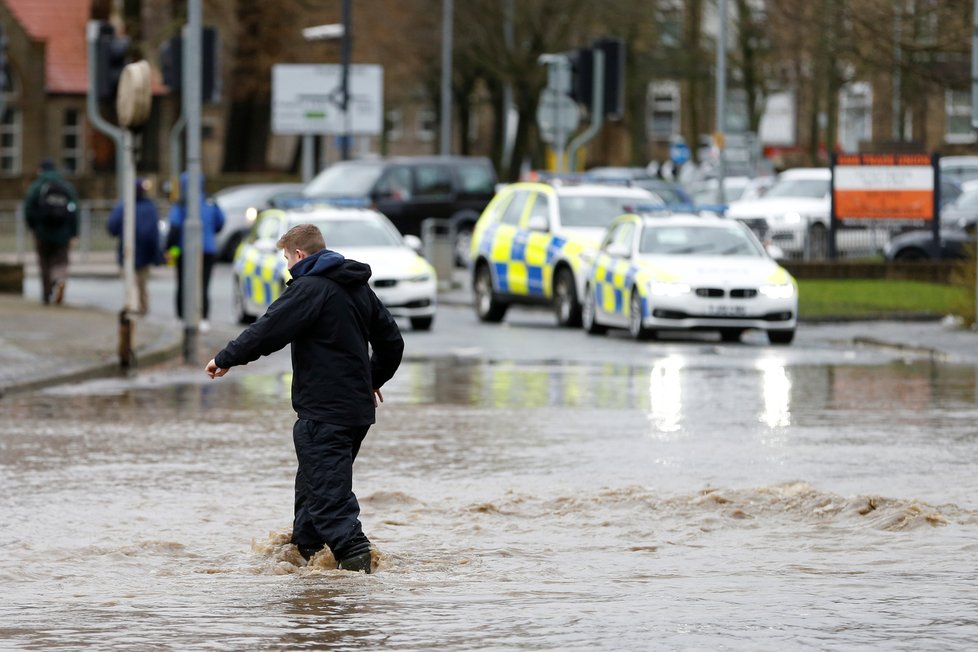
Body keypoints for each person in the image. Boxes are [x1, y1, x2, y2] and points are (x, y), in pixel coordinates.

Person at [204, 224, 404, 573]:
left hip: (325, 414)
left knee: (330, 503)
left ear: (298, 255)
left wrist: (225, 358)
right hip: (354, 413)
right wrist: (370, 381)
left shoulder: (312, 288)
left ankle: (358, 587)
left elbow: (269, 329)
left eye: (286, 259)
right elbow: (392, 342)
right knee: (312, 498)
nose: (287, 266)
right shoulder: (356, 287)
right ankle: (308, 571)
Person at [166, 172, 225, 330]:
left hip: (184, 250)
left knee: (182, 284)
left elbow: (174, 226)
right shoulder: (210, 201)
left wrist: (168, 248)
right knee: (204, 285)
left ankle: (180, 317)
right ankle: (204, 318)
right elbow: (220, 222)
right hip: (208, 249)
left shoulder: (181, 204)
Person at [24, 159, 80, 305]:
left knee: (44, 262)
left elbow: (28, 209)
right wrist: (74, 233)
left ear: (40, 170)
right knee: (61, 259)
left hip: (42, 231)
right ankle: (60, 279)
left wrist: (33, 227)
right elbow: (75, 211)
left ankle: (46, 293)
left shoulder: (37, 187)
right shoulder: (67, 187)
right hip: (63, 231)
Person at [107, 178, 164, 315]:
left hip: (128, 251)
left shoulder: (124, 206)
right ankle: (143, 308)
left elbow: (112, 227)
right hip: (146, 253)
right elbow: (155, 234)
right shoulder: (150, 207)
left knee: (131, 283)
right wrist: (157, 254)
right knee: (143, 284)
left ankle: (133, 308)